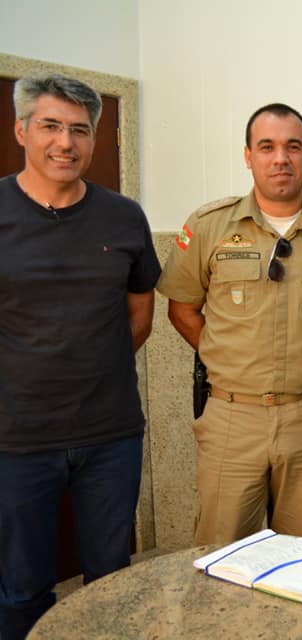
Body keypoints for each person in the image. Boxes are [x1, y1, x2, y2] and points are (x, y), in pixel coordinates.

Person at [0, 74, 161, 640]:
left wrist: (94, 365)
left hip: (110, 435)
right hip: (16, 442)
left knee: (113, 582)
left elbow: (139, 318)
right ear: (22, 131)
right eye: (50, 126)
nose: (65, 143)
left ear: (93, 139)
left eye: (79, 130)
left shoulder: (124, 217)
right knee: (20, 589)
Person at [157, 103, 302, 546]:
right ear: (248, 155)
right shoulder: (210, 227)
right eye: (266, 147)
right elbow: (182, 309)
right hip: (232, 417)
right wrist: (224, 356)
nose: (280, 158)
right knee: (222, 551)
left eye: (292, 147)